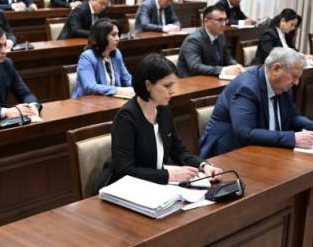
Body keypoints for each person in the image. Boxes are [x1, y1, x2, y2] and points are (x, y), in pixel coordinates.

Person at [95, 54, 223, 192]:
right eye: (167, 86)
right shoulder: (126, 118)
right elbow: (125, 171)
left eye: (173, 85)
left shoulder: (163, 109)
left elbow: (178, 151)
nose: (172, 91)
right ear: (148, 85)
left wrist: (204, 166)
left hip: (153, 185)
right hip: (124, 189)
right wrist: (168, 175)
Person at [200, 49, 313, 159]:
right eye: (294, 76)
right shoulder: (247, 88)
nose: (297, 83)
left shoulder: (281, 85)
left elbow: (293, 116)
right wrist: (292, 138)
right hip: (228, 153)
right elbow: (245, 133)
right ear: (275, 69)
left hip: (262, 148)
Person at [177, 4, 244, 78]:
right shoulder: (193, 40)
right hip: (192, 81)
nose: (223, 24)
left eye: (225, 20)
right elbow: (195, 67)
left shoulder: (221, 36)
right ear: (206, 21)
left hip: (212, 78)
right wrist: (223, 70)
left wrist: (236, 66)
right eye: (220, 20)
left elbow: (227, 58)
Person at [73, 19, 134, 99]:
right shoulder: (87, 57)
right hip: (88, 102)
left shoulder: (116, 54)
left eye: (118, 35)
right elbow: (90, 86)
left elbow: (127, 78)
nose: (117, 39)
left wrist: (139, 87)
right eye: (113, 35)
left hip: (111, 100)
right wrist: (118, 90)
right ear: (102, 36)